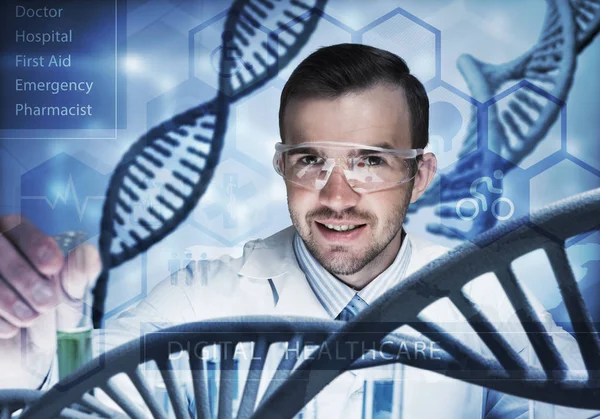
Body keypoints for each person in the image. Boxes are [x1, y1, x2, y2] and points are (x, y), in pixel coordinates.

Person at [0, 44, 593, 417]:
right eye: (311, 161)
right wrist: (21, 365)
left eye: (370, 161)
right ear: (282, 166)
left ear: (420, 174)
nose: (337, 197)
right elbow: (76, 405)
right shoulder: (203, 296)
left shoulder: (485, 298)